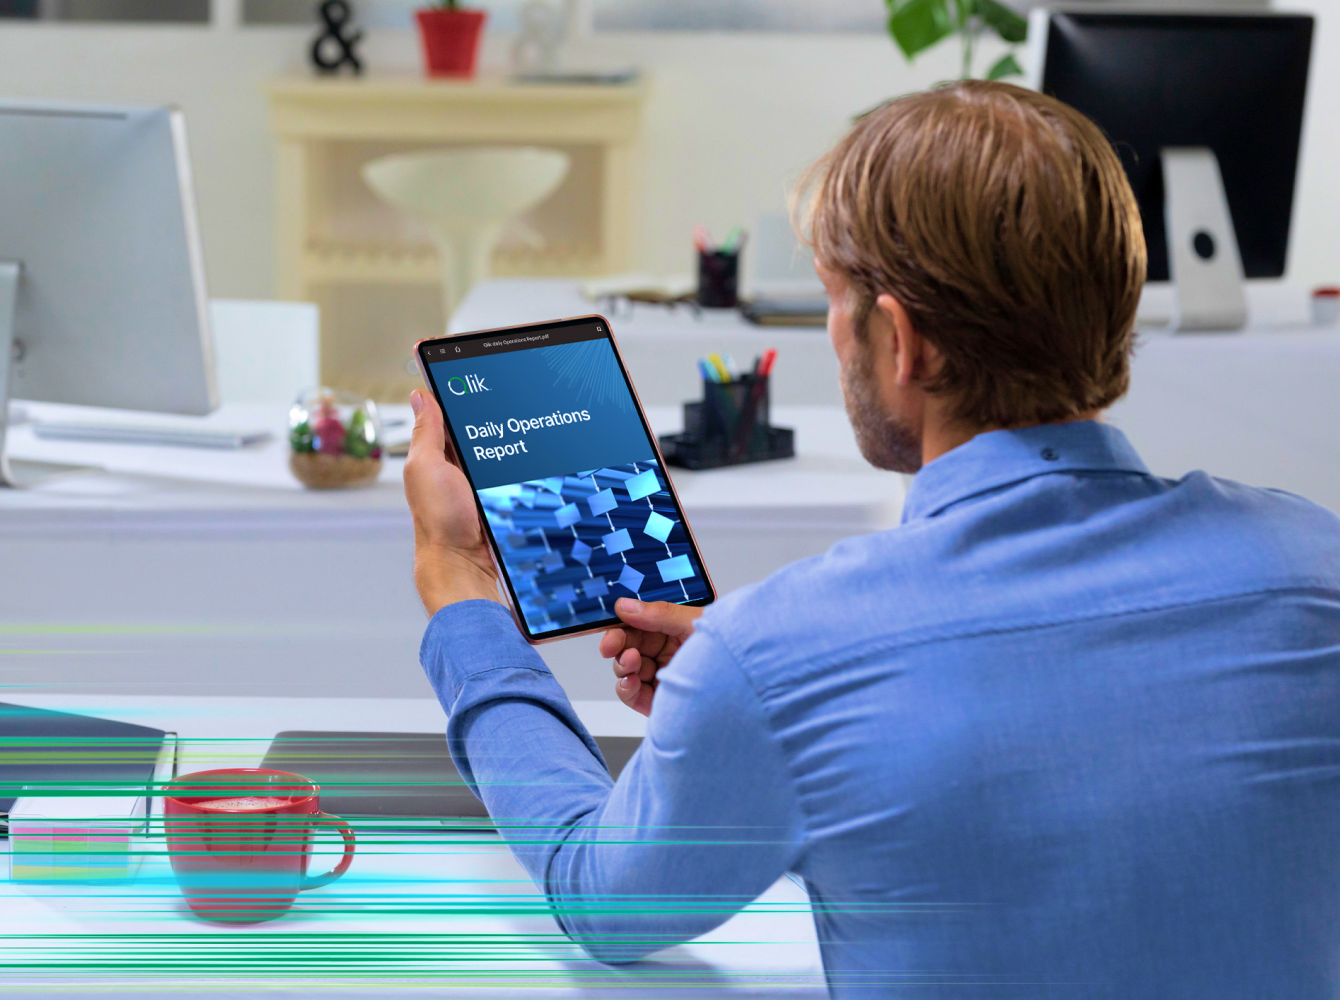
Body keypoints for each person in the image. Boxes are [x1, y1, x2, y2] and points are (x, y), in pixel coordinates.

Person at [403, 80, 1340, 998]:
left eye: (834, 298)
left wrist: (464, 597)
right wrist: (758, 689)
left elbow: (599, 897)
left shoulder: (778, 657)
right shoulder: (1316, 569)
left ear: (901, 343)